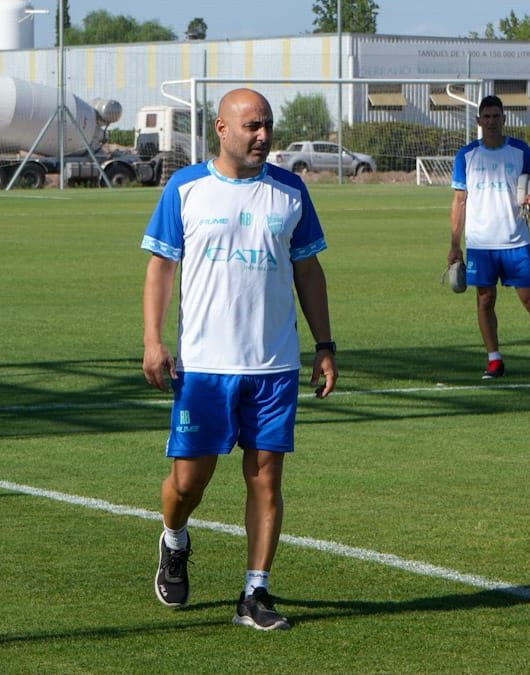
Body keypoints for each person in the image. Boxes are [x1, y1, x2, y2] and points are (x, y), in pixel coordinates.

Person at [141, 88, 337, 631]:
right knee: (188, 484)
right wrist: (154, 342)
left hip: (273, 366)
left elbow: (308, 272)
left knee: (266, 479)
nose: (263, 136)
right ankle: (174, 539)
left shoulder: (291, 191)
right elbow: (161, 268)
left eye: (267, 125)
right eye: (252, 125)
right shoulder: (186, 189)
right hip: (204, 369)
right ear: (221, 130)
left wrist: (324, 345)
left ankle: (256, 593)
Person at [448, 95, 530, 380]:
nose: (491, 121)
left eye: (495, 116)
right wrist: (455, 245)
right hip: (480, 243)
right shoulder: (466, 156)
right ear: (478, 121)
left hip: (516, 241)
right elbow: (459, 201)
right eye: (486, 117)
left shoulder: (519, 150)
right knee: (485, 300)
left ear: (504, 119)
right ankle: (494, 360)